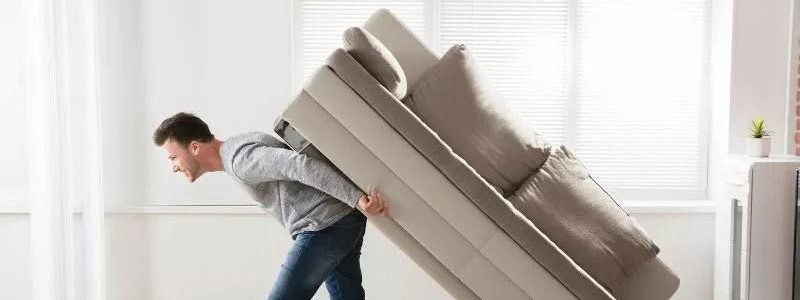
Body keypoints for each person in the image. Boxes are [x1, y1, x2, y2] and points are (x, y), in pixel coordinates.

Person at [152, 112, 388, 300]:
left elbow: (299, 165)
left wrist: (356, 198)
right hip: (343, 220)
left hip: (324, 226)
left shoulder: (241, 160)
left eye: (173, 157)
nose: (173, 167)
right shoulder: (239, 145)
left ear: (194, 147)